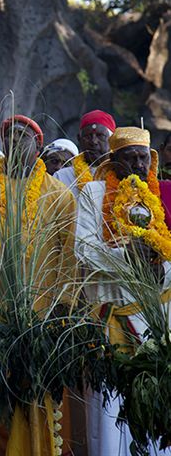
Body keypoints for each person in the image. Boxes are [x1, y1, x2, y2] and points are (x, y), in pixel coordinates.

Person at [0, 115, 78, 455]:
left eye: (24, 137)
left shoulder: (59, 195)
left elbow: (69, 258)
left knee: (46, 400)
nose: (15, 143)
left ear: (39, 147)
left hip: (45, 318)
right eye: (9, 138)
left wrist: (63, 308)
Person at [75, 126, 171, 456]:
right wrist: (126, 256)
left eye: (143, 157)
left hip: (158, 320)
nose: (138, 164)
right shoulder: (94, 193)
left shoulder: (160, 195)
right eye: (129, 158)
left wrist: (161, 265)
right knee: (109, 408)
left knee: (156, 403)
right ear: (114, 161)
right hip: (111, 314)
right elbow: (83, 249)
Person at [55, 110, 116, 199]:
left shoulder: (120, 175)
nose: (94, 141)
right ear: (79, 139)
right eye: (88, 136)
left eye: (100, 135)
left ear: (112, 140)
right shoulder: (62, 177)